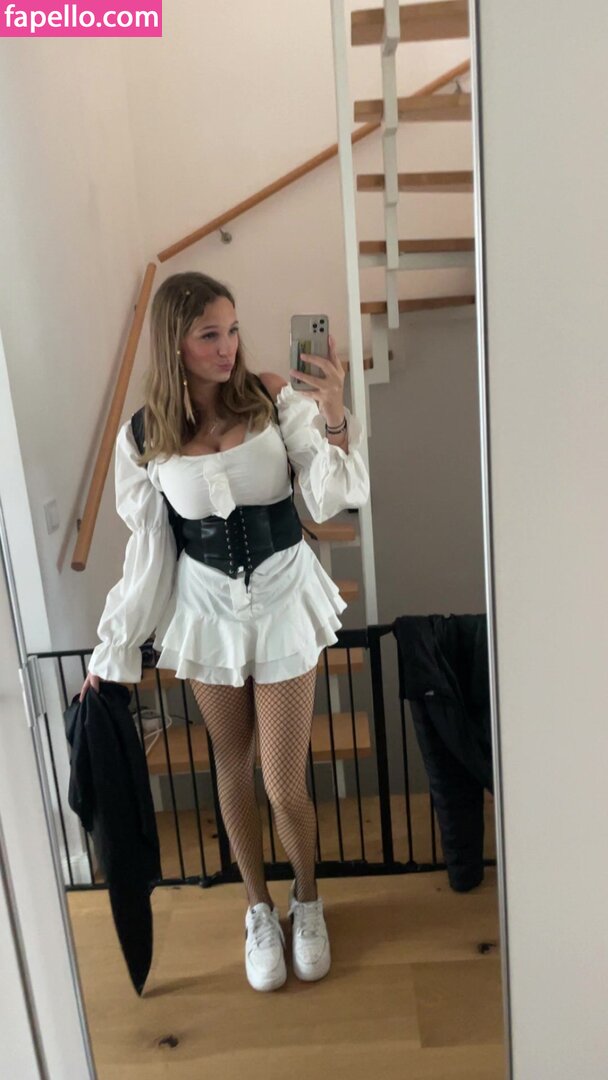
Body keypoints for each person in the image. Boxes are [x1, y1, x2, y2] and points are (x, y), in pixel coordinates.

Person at [80, 271, 370, 992]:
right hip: (207, 612)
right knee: (232, 769)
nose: (227, 346)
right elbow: (150, 552)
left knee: (284, 780)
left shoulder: (270, 396)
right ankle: (257, 909)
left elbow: (329, 499)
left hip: (283, 600)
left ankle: (307, 899)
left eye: (232, 329)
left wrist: (335, 414)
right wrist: (113, 651)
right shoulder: (145, 436)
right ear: (173, 344)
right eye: (209, 334)